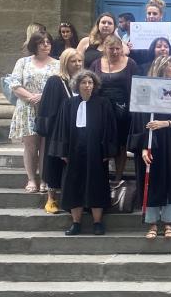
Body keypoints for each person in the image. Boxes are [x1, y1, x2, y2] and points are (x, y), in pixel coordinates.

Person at [49, 70, 117, 236]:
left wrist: (107, 150)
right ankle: (76, 223)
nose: (88, 86)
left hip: (96, 151)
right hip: (74, 150)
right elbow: (62, 129)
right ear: (77, 85)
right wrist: (63, 151)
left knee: (97, 184)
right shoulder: (69, 104)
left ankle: (97, 223)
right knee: (73, 184)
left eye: (90, 83)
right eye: (84, 83)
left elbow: (110, 128)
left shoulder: (103, 103)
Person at [128, 56, 171, 239]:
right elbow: (139, 121)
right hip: (150, 143)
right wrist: (144, 147)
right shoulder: (144, 90)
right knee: (151, 180)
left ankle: (169, 222)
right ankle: (152, 223)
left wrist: (166, 123)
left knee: (170, 179)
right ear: (162, 68)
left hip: (170, 142)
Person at [8, 31, 60, 194]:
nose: (46, 45)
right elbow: (15, 84)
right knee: (30, 146)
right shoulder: (22, 62)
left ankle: (45, 179)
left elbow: (60, 85)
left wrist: (43, 97)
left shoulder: (57, 64)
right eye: (41, 42)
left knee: (45, 145)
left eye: (48, 42)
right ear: (34, 45)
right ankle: (31, 179)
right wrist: (31, 98)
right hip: (27, 108)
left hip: (48, 108)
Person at [36, 48, 83, 214]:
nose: (77, 64)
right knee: (54, 162)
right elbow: (48, 107)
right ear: (65, 63)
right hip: (58, 131)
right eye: (73, 61)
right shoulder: (56, 81)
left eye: (79, 61)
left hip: (77, 131)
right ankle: (51, 198)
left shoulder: (82, 81)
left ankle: (72, 199)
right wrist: (50, 130)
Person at [90, 35, 138, 183]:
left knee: (121, 144)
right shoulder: (96, 64)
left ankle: (118, 176)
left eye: (118, 48)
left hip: (123, 110)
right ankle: (101, 176)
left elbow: (137, 87)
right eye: (112, 49)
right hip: (101, 110)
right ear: (105, 49)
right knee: (102, 141)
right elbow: (90, 84)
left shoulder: (131, 64)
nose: (115, 52)